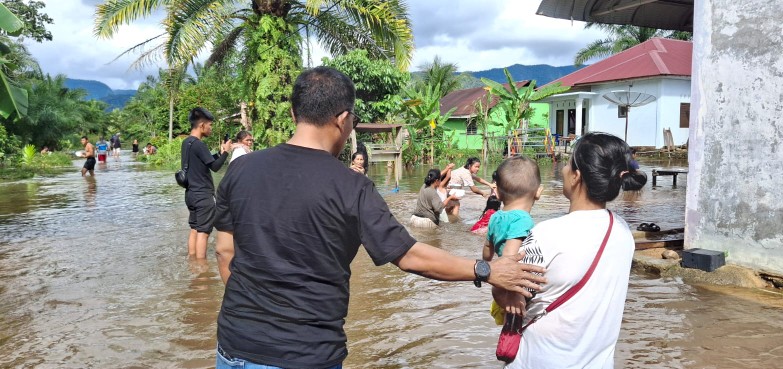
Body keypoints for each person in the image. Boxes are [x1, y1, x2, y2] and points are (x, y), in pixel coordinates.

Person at [213, 66, 546, 369]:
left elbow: (224, 252)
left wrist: (254, 315)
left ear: (293, 112)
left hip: (232, 346)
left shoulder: (241, 168)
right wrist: (485, 269)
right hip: (305, 355)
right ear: (343, 119)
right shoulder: (351, 186)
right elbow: (409, 256)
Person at [499, 132, 645, 369]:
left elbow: (507, 297)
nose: (564, 170)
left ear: (577, 176)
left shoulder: (547, 233)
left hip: (538, 360)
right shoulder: (622, 230)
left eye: (568, 165)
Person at [482, 156, 543, 325]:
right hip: (512, 284)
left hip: (500, 284)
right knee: (520, 325)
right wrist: (513, 292)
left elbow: (487, 250)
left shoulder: (495, 217)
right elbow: (510, 255)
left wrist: (486, 260)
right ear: (538, 192)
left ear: (499, 193)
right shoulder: (523, 219)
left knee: (510, 329)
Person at [182, 107, 232, 259]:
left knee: (194, 229)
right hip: (203, 195)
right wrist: (226, 152)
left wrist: (219, 153)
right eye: (210, 125)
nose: (211, 128)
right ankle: (201, 269)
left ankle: (192, 261)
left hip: (190, 194)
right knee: (203, 233)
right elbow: (215, 167)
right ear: (202, 125)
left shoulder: (187, 143)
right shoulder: (199, 144)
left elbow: (206, 161)